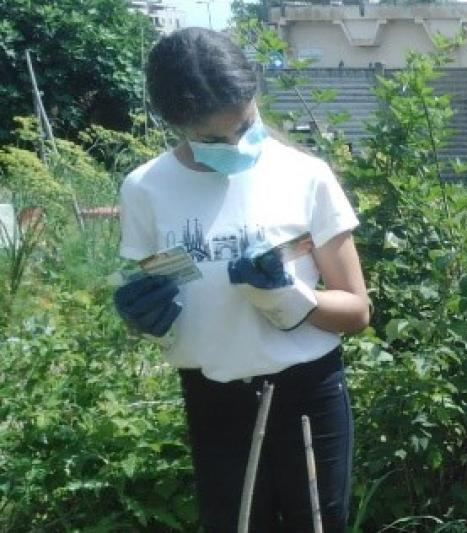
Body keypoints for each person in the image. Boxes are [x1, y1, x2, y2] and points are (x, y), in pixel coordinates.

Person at [113, 27, 369, 532]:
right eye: (212, 139)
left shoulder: (304, 174)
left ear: (254, 98)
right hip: (214, 397)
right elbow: (153, 317)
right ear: (174, 123)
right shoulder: (146, 188)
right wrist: (139, 318)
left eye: (244, 126)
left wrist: (291, 297)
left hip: (307, 394)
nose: (234, 145)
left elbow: (358, 312)